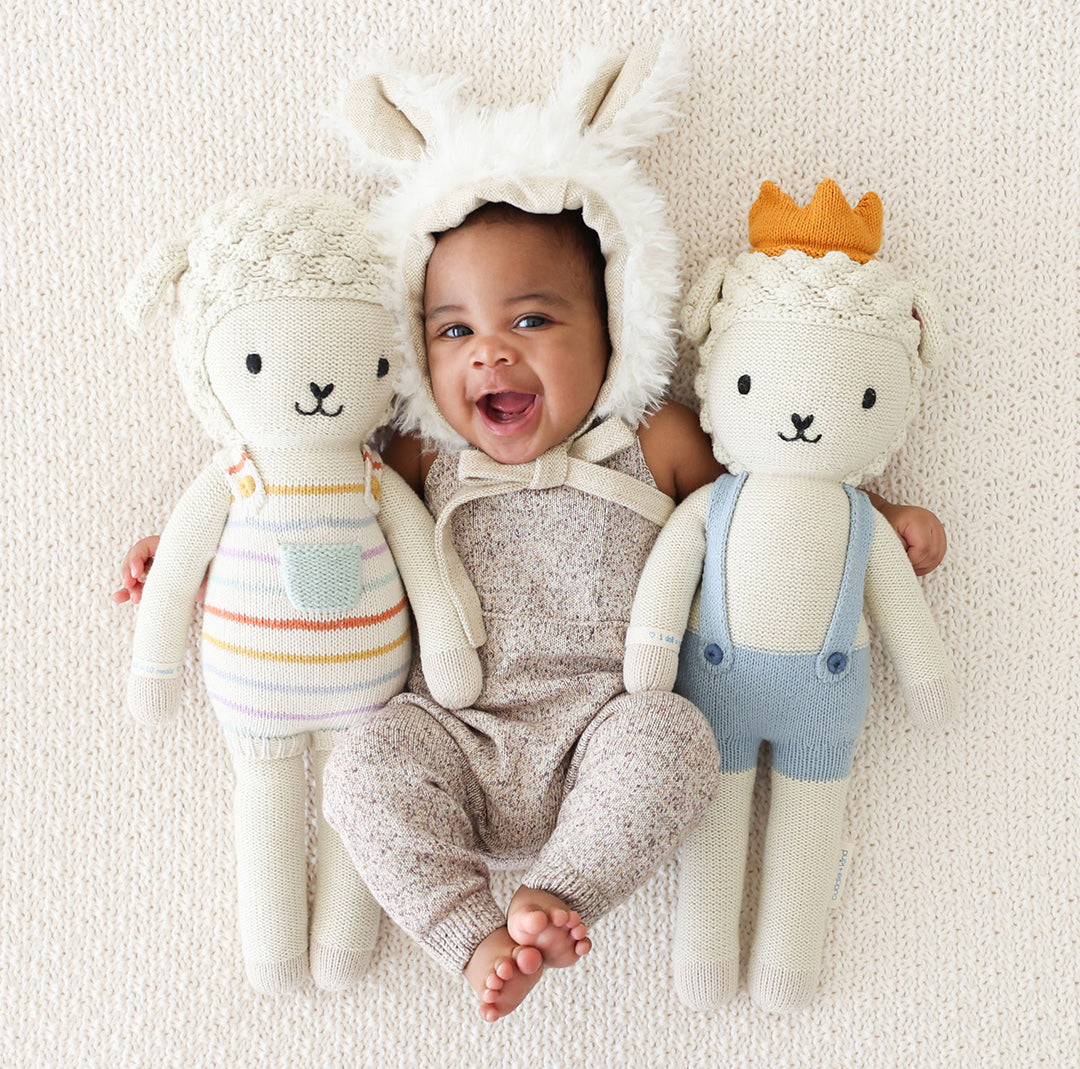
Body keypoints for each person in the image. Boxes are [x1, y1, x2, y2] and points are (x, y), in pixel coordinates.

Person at [114, 203, 946, 1021]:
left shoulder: (653, 438)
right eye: (453, 332)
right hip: (454, 730)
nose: (490, 353)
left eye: (533, 318)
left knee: (679, 739)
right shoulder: (420, 453)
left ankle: (560, 891)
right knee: (365, 770)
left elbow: (765, 505)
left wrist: (876, 516)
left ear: (612, 328)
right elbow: (316, 503)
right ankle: (470, 933)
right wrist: (194, 549)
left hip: (603, 732)